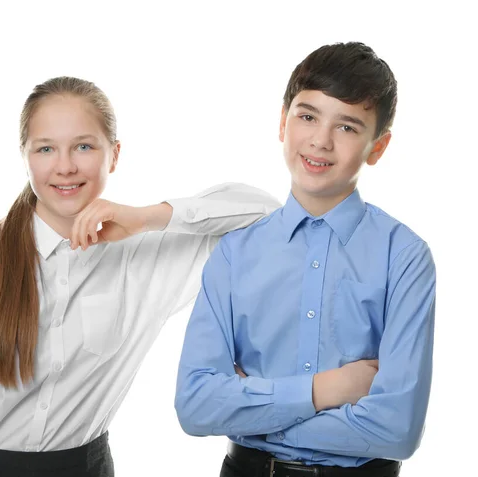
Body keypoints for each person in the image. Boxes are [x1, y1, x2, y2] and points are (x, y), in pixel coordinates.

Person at [0, 76, 281, 477]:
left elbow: (265, 214)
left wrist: (146, 217)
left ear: (114, 155)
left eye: (83, 146)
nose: (65, 166)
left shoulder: (144, 257)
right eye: (46, 148)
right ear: (25, 156)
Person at [174, 42, 436, 477]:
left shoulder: (405, 257)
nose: (320, 140)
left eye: (348, 127)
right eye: (308, 116)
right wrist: (327, 391)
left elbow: (397, 429)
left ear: (378, 146)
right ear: (283, 121)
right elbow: (196, 405)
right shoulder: (234, 255)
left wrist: (252, 411)